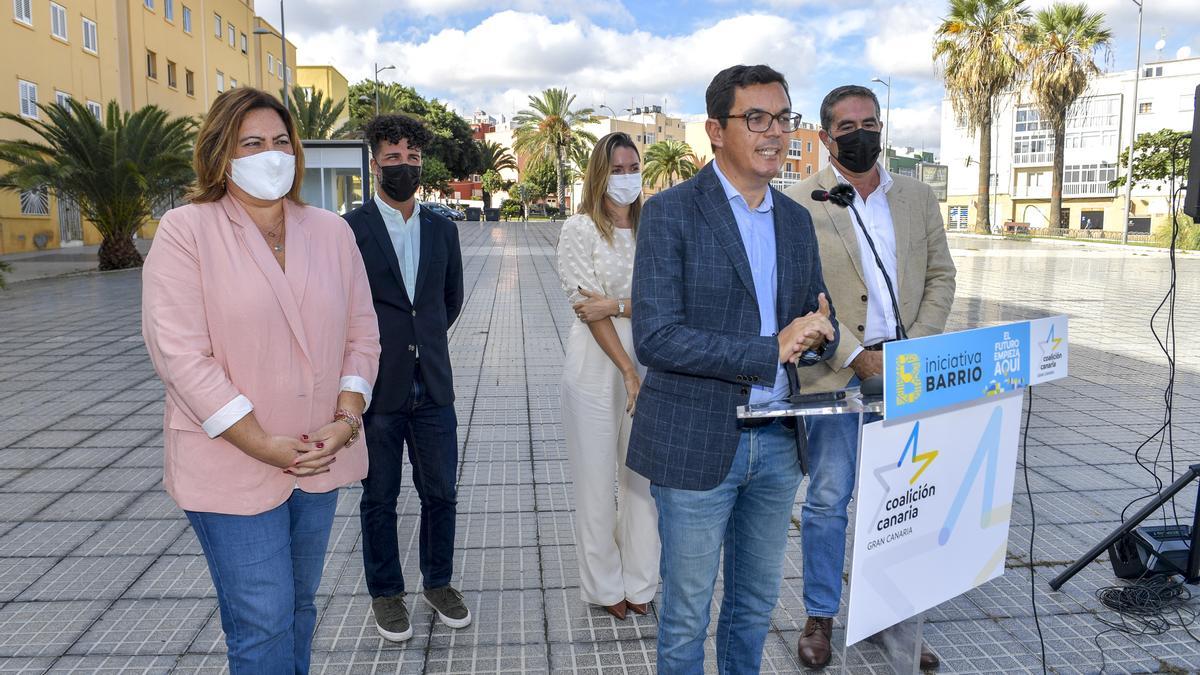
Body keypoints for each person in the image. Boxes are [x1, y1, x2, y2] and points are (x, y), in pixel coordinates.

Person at [141, 87, 380, 673]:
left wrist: (346, 422)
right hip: (233, 458)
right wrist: (258, 441)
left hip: (316, 454)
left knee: (298, 607)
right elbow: (180, 355)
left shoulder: (330, 230)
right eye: (253, 143)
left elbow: (362, 332)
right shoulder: (185, 230)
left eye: (280, 142)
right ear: (222, 153)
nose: (270, 154)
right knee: (262, 620)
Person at [628, 64, 839, 673]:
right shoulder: (671, 213)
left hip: (776, 445)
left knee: (753, 608)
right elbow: (656, 337)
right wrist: (769, 349)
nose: (774, 132)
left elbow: (810, 317)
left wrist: (818, 337)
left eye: (782, 118)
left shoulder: (797, 220)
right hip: (697, 444)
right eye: (757, 119)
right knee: (687, 616)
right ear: (716, 130)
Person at [784, 84, 956, 671]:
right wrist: (855, 355)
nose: (861, 133)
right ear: (827, 136)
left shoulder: (915, 196)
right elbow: (797, 293)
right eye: (848, 126)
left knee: (904, 498)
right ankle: (820, 615)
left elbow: (941, 275)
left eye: (870, 122)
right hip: (837, 373)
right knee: (830, 498)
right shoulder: (798, 202)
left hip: (907, 371)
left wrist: (918, 347)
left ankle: (892, 617)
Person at [344, 114, 468, 642]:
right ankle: (386, 593)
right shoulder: (349, 230)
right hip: (378, 388)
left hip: (433, 386)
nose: (404, 167)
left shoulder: (442, 227)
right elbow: (341, 306)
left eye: (412, 159)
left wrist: (423, 344)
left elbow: (449, 301)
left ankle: (438, 582)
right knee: (380, 497)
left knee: (441, 492)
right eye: (393, 158)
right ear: (375, 165)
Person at [556, 132, 659, 621]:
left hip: (652, 358)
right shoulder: (580, 229)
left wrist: (617, 304)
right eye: (616, 169)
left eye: (632, 166)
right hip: (597, 365)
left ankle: (642, 581)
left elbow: (668, 303)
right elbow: (586, 307)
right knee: (596, 479)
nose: (626, 177)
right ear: (599, 175)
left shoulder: (655, 226)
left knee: (642, 480)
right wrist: (625, 368)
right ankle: (604, 585)